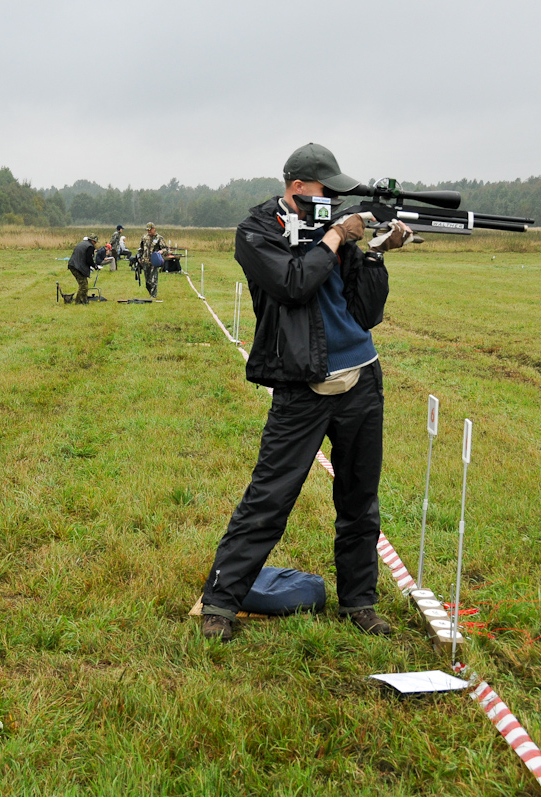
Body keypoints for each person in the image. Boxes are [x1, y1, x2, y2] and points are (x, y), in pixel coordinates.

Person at [199, 143, 412, 642]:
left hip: (362, 379)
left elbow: (366, 313)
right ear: (296, 188)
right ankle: (220, 604)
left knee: (360, 501)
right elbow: (293, 283)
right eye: (324, 193)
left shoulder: (332, 234)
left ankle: (359, 602)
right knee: (269, 497)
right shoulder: (257, 232)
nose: (333, 203)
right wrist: (337, 234)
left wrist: (377, 251)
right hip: (302, 384)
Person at [67, 234, 99, 304]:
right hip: (76, 266)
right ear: (93, 241)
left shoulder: (82, 243)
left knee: (84, 284)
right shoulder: (90, 247)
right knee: (83, 286)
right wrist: (95, 266)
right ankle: (78, 302)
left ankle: (84, 301)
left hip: (73, 264)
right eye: (95, 242)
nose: (95, 244)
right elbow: (89, 260)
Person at [138, 222, 166, 298]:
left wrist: (161, 251)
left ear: (154, 229)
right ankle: (151, 292)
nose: (149, 232)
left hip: (154, 261)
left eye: (150, 230)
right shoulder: (144, 237)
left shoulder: (159, 238)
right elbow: (141, 248)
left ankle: (153, 296)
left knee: (154, 279)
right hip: (145, 261)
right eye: (148, 230)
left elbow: (165, 248)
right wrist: (139, 257)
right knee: (147, 281)